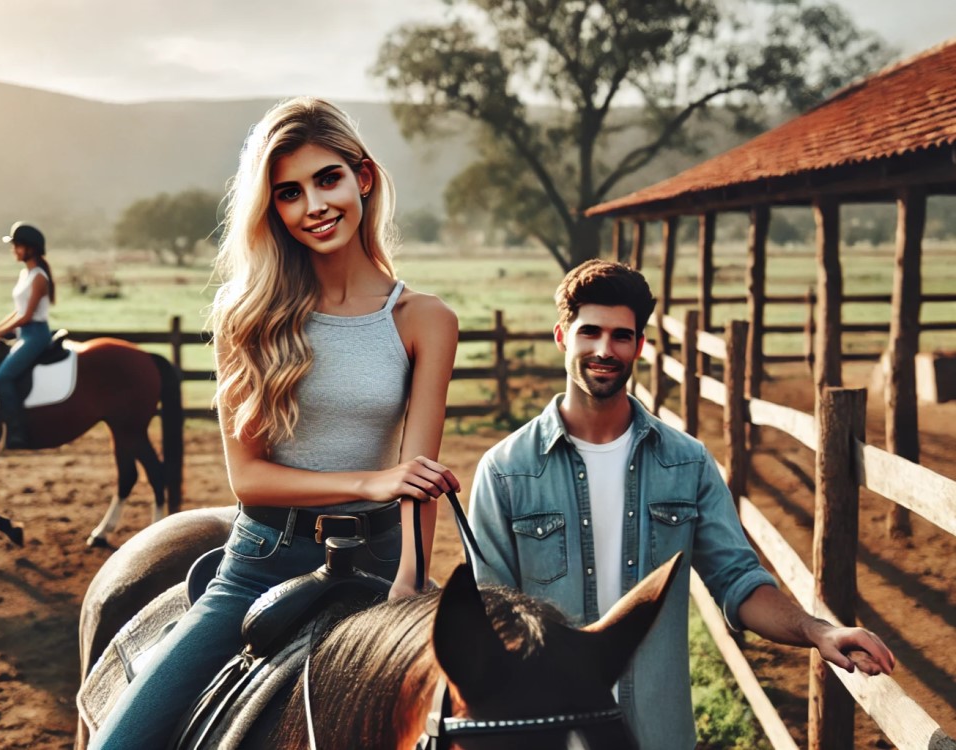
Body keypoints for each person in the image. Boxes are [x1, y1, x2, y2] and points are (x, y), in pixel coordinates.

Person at [91, 97, 460, 749]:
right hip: (264, 561)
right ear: (274, 210)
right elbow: (250, 479)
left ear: (363, 179)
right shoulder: (246, 315)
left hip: (382, 561)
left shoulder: (426, 319)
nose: (314, 206)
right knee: (124, 742)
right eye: (289, 193)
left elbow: (419, 481)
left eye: (327, 179)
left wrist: (408, 582)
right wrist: (374, 481)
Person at [467, 259, 895, 750]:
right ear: (563, 337)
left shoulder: (686, 463)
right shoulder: (505, 470)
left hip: (658, 735)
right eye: (590, 333)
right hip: (548, 738)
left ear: (639, 347)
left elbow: (738, 581)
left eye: (621, 336)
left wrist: (818, 631)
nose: (605, 350)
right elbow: (491, 616)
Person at [0, 222, 56, 449]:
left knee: (3, 376)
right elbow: (17, 311)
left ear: (30, 248)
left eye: (17, 246)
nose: (14, 250)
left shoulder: (39, 277)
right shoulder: (26, 274)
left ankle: (16, 432)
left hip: (36, 335)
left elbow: (27, 316)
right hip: (25, 334)